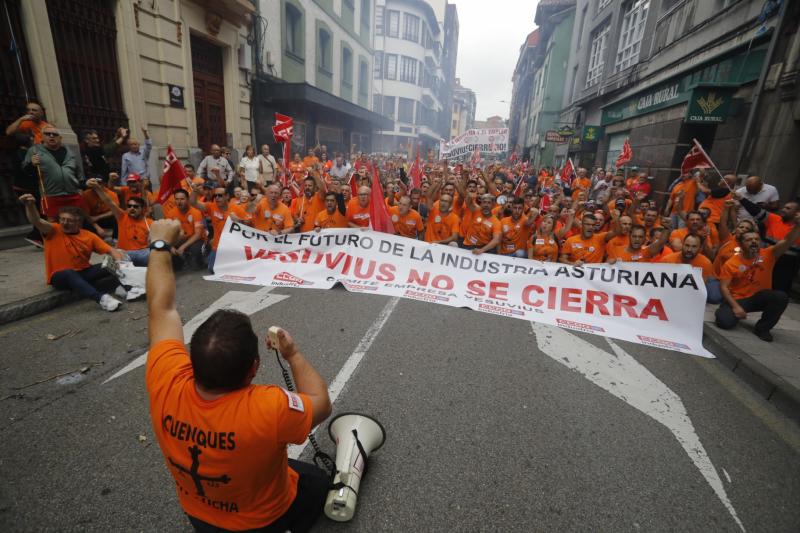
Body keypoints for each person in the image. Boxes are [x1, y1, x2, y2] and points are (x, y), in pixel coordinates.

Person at [144, 218, 332, 532]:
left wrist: (159, 244)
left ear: (192, 361)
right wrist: (294, 355)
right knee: (317, 482)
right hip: (261, 521)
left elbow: (160, 308)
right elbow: (321, 403)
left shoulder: (166, 377)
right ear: (254, 368)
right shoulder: (268, 407)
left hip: (198, 514)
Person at [18, 193, 125, 311]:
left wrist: (119, 262)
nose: (64, 223)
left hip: (83, 272)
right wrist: (30, 205)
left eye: (69, 220)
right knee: (69, 273)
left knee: (113, 263)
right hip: (60, 276)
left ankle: (126, 287)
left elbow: (111, 250)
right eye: (62, 219)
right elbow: (36, 221)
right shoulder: (53, 230)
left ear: (78, 222)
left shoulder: (89, 236)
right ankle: (102, 299)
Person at [715, 217, 800, 341]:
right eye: (749, 240)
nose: (754, 242)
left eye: (756, 239)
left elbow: (787, 241)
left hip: (759, 297)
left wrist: (798, 226)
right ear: (741, 243)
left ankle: (762, 329)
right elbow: (723, 287)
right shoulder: (732, 263)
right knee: (724, 322)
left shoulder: (769, 253)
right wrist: (736, 307)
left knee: (780, 297)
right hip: (739, 299)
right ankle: (724, 309)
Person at [22, 125, 87, 220]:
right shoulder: (34, 151)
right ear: (42, 137)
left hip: (72, 194)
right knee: (54, 226)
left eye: (55, 134)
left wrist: (81, 186)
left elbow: (78, 171)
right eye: (48, 134)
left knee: (78, 222)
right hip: (51, 195)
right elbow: (26, 173)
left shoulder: (69, 151)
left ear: (60, 138)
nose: (51, 136)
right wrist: (31, 164)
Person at [87, 178, 152, 267]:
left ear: (142, 209)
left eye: (135, 207)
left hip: (143, 253)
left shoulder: (149, 222)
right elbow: (109, 202)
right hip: (124, 253)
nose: (132, 208)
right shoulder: (122, 216)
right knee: (115, 259)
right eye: (129, 206)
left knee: (156, 254)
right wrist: (97, 188)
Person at [190, 185, 248, 273]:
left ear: (227, 196)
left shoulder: (237, 209)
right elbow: (193, 203)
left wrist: (239, 221)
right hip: (218, 246)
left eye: (220, 195)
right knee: (212, 269)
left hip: (234, 246)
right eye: (215, 196)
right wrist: (194, 191)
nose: (217, 198)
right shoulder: (211, 206)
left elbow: (249, 225)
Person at [657, 234, 720, 303]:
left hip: (694, 288)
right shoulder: (667, 260)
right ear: (682, 245)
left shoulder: (706, 263)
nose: (689, 250)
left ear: (700, 248)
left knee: (714, 296)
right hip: (672, 288)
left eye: (694, 247)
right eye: (687, 245)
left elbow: (700, 287)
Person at [164, 189, 205, 270]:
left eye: (182, 199)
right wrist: (171, 247)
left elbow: (198, 235)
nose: (179, 202)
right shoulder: (170, 213)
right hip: (179, 239)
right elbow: (167, 234)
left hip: (195, 240)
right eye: (177, 199)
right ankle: (181, 260)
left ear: (188, 199)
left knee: (195, 265)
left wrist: (182, 247)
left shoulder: (196, 212)